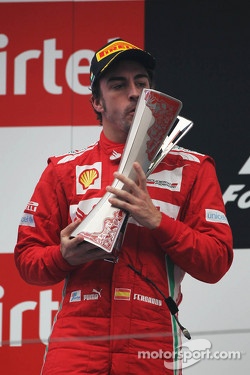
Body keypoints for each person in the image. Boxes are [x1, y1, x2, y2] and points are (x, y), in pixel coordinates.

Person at [14, 39, 233, 375]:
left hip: (151, 346)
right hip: (75, 346)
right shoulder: (63, 170)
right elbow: (28, 260)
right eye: (118, 85)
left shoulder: (193, 168)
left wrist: (157, 220)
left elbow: (216, 261)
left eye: (142, 83)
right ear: (97, 102)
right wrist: (63, 256)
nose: (134, 92)